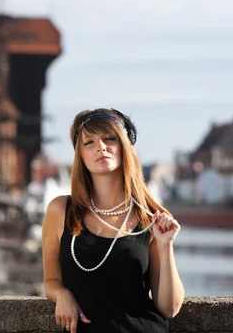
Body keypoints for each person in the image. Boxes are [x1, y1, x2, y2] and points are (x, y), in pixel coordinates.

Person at [42, 108, 184, 333]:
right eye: (89, 142)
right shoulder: (60, 210)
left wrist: (165, 246)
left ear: (125, 148)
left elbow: (169, 307)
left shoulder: (149, 217)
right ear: (81, 155)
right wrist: (62, 294)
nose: (101, 147)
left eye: (109, 139)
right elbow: (50, 281)